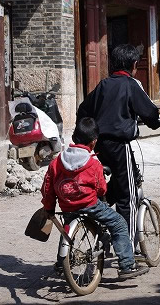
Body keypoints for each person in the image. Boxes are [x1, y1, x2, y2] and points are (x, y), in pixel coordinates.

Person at [77, 44, 160, 250]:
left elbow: (83, 110)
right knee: (129, 196)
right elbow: (151, 114)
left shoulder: (103, 85)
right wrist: (156, 120)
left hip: (98, 147)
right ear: (134, 65)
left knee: (114, 186)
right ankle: (128, 249)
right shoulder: (131, 84)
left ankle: (103, 216)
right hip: (119, 146)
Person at [41, 117, 149, 279]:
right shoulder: (93, 164)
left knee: (67, 229)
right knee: (118, 223)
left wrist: (49, 208)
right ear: (93, 143)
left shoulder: (56, 163)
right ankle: (127, 265)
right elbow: (101, 188)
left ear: (73, 139)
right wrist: (101, 192)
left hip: (67, 206)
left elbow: (47, 188)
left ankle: (62, 264)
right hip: (89, 204)